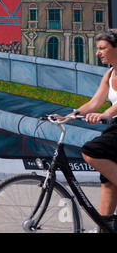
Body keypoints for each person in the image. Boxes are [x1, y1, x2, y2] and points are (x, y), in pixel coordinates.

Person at [54, 29, 117, 221]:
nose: (98, 53)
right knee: (108, 182)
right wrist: (68, 117)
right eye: (97, 48)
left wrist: (105, 114)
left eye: (102, 48)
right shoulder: (109, 73)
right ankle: (104, 227)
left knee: (92, 150)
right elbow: (93, 103)